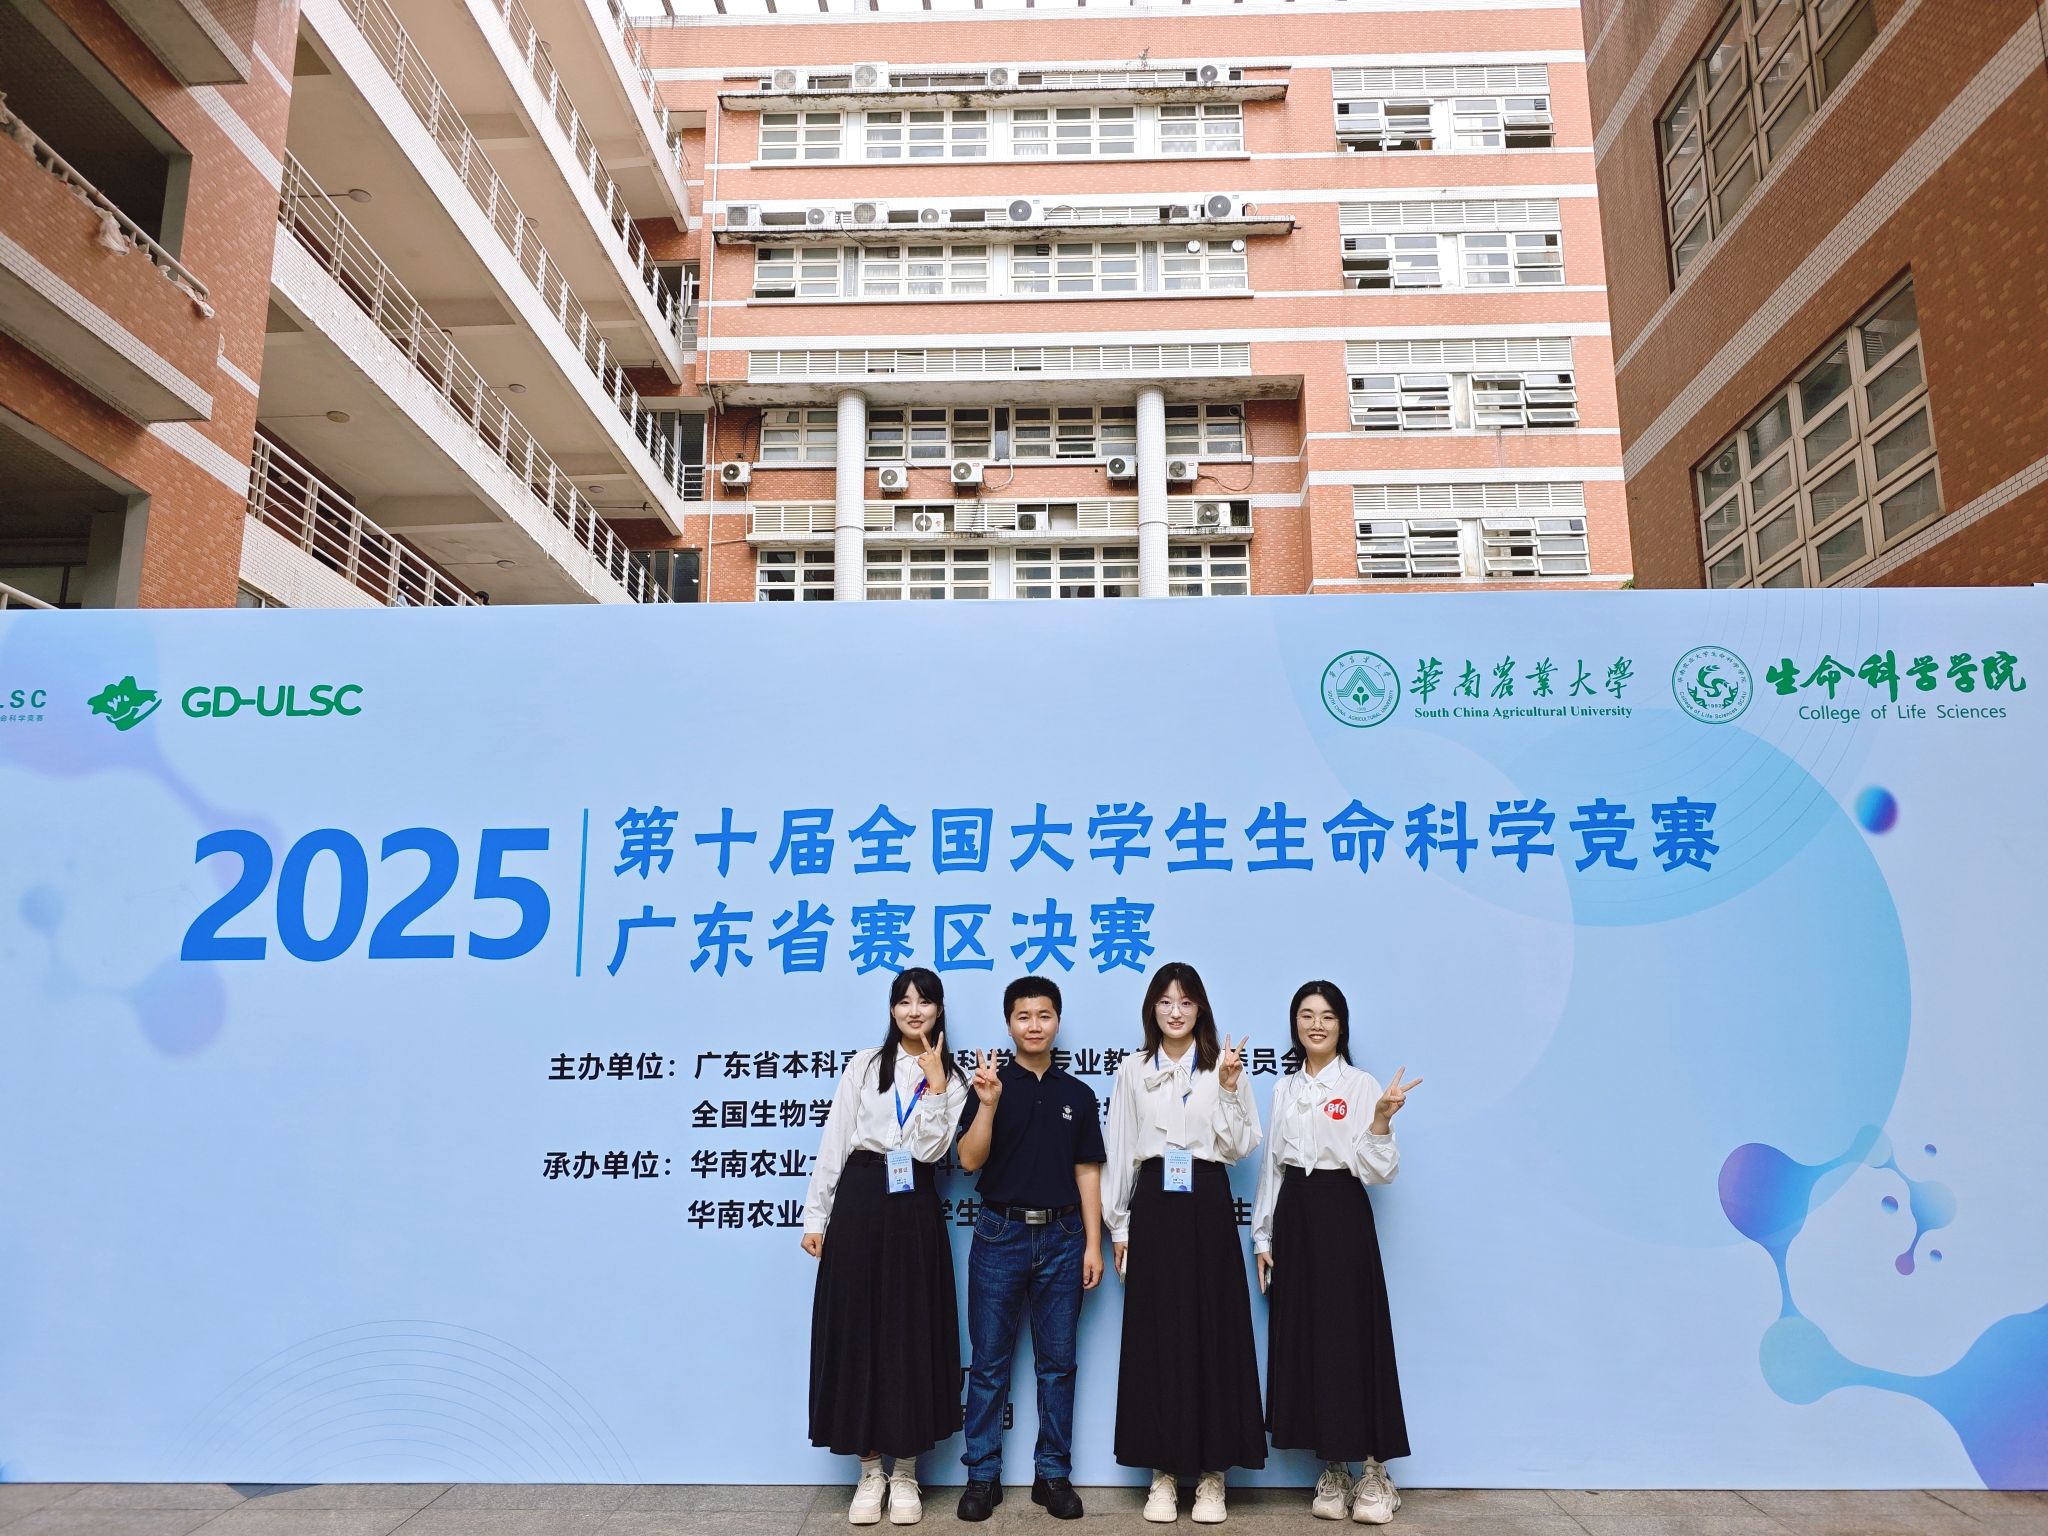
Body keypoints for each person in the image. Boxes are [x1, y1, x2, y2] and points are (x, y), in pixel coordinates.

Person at [801, 968, 970, 1526]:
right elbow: (835, 1140)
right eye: (903, 1001)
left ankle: (906, 1474)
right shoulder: (865, 1065)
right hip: (859, 1198)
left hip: (914, 1203)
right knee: (857, 1331)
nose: (913, 1011)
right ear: (892, 1009)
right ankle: (870, 1472)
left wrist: (937, 1087)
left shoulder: (954, 1078)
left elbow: (932, 1150)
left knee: (910, 1332)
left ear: (939, 1010)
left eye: (924, 1002)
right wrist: (817, 1216)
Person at [1250, 981, 1420, 1525]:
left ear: (1342, 1025)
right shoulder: (1284, 1088)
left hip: (1342, 1210)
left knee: (1353, 1335)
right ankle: (1334, 1468)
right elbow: (1272, 1168)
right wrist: (1263, 1236)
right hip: (1294, 1216)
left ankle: (1374, 1471)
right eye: (1306, 1015)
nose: (1316, 1024)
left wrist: (1381, 1120)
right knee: (1307, 1338)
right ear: (1295, 1024)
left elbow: (1379, 1171)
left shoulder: (1362, 1084)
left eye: (1327, 1015)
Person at [1103, 961, 1266, 1525]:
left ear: (1201, 1009)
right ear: (1152, 1008)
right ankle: (1165, 1473)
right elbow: (1120, 1147)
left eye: (1186, 1002)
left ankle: (1214, 1476)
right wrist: (1119, 1225)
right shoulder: (1132, 1069)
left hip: (1208, 1199)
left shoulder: (1226, 1065)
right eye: (1166, 1001)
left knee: (1214, 1330)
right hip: (1153, 1203)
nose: (1176, 1012)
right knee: (1158, 1335)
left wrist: (1228, 1089)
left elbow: (1242, 1146)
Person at [953, 976, 1107, 1523]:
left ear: (1057, 1022)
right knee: (989, 1365)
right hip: (1000, 1234)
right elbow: (968, 1161)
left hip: (1064, 1239)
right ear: (1009, 1023)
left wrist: (1093, 1243)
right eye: (1024, 1016)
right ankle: (982, 1476)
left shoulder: (1078, 1095)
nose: (1034, 1025)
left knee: (1058, 1365)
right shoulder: (988, 1085)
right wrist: (988, 1105)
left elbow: (1087, 1171)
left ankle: (1053, 1474)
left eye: (1044, 1015)